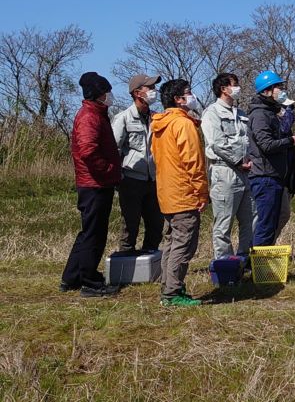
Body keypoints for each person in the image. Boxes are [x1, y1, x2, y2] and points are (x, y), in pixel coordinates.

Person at [61, 72, 122, 297]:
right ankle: (90, 282)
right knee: (94, 235)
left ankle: (71, 277)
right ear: (98, 94)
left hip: (94, 182)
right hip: (95, 184)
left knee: (88, 232)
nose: (109, 96)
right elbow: (87, 149)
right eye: (106, 92)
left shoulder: (96, 113)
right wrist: (107, 171)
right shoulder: (89, 116)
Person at [150, 79, 209, 307]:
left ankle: (168, 287)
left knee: (171, 242)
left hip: (166, 192)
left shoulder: (159, 124)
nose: (192, 96)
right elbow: (193, 161)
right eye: (188, 93)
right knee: (183, 245)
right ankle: (173, 292)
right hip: (184, 193)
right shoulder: (182, 125)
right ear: (178, 99)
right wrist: (201, 192)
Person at [247, 71, 295, 247]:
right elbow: (266, 145)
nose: (282, 90)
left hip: (275, 176)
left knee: (277, 219)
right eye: (278, 87)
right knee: (266, 225)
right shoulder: (260, 115)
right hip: (264, 176)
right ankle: (256, 268)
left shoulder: (272, 112)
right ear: (267, 90)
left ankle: (263, 263)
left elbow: (279, 137)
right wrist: (292, 140)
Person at [200, 72, 255, 259]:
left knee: (249, 220)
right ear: (223, 89)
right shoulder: (212, 113)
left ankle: (244, 259)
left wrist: (248, 160)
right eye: (234, 84)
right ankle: (224, 265)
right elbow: (217, 143)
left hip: (244, 173)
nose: (238, 87)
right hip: (224, 172)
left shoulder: (240, 113)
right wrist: (238, 161)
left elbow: (247, 140)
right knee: (224, 223)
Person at [111, 74, 163, 254]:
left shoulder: (157, 118)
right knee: (130, 224)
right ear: (137, 93)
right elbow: (114, 149)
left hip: (154, 180)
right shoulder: (123, 118)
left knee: (156, 224)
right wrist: (119, 176)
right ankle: (125, 262)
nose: (153, 92)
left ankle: (151, 261)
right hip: (131, 179)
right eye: (149, 88)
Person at [275, 97, 295, 240]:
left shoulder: (286, 130)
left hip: (286, 179)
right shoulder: (272, 122)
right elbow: (283, 130)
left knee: (283, 215)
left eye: (291, 108)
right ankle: (258, 252)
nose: (289, 112)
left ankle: (266, 249)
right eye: (286, 108)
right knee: (271, 218)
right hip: (274, 178)